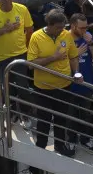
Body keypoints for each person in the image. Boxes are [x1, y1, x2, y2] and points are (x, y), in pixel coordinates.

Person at [27, 9, 79, 156]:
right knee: (44, 120)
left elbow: (73, 56)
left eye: (63, 27)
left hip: (64, 86)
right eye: (58, 27)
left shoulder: (66, 34)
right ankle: (41, 149)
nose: (61, 30)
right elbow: (31, 64)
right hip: (44, 89)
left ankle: (60, 146)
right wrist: (53, 58)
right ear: (48, 25)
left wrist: (76, 72)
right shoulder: (36, 37)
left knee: (61, 119)